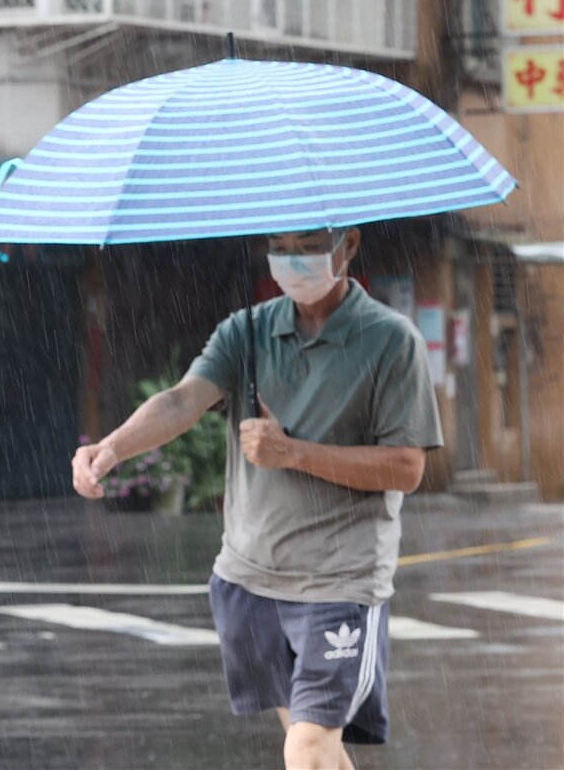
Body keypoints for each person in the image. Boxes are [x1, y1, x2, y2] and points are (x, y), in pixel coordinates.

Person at [71, 228, 441, 770]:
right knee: (316, 749)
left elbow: (407, 468)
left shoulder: (390, 341)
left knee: (308, 749)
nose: (294, 260)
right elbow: (181, 402)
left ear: (350, 246)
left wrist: (293, 453)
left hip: (340, 582)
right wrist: (110, 448)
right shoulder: (246, 332)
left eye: (310, 244)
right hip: (250, 580)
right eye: (282, 247)